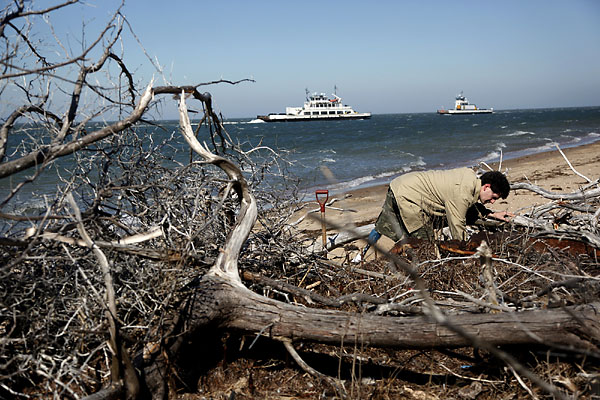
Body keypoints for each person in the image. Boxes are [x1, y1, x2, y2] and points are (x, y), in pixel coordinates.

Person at [355, 168, 512, 261]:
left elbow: (470, 209)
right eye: (493, 198)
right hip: (410, 197)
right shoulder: (462, 193)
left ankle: (359, 257)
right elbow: (457, 225)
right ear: (486, 187)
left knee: (383, 225)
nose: (492, 201)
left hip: (399, 184)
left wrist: (492, 214)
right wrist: (466, 254)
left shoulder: (469, 177)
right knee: (425, 246)